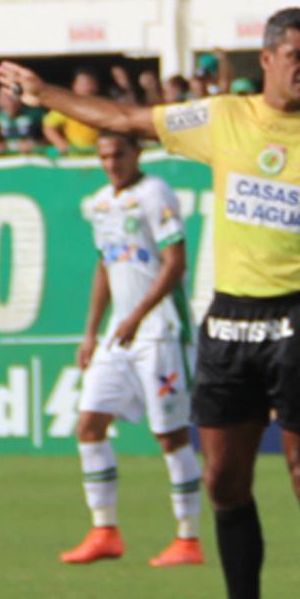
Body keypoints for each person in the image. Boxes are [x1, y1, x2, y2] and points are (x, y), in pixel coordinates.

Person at [0, 9, 300, 599]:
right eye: (296, 55)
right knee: (222, 479)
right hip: (229, 320)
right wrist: (46, 94)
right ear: (265, 57)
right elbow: (124, 120)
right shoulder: (221, 118)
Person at [59, 131, 203, 569]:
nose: (110, 163)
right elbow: (105, 265)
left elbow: (175, 262)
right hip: (119, 335)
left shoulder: (154, 192)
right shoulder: (102, 202)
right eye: (103, 156)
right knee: (89, 424)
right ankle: (105, 531)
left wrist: (138, 314)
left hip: (161, 331)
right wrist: (90, 332)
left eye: (118, 154)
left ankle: (188, 538)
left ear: (136, 153)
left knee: (170, 436)